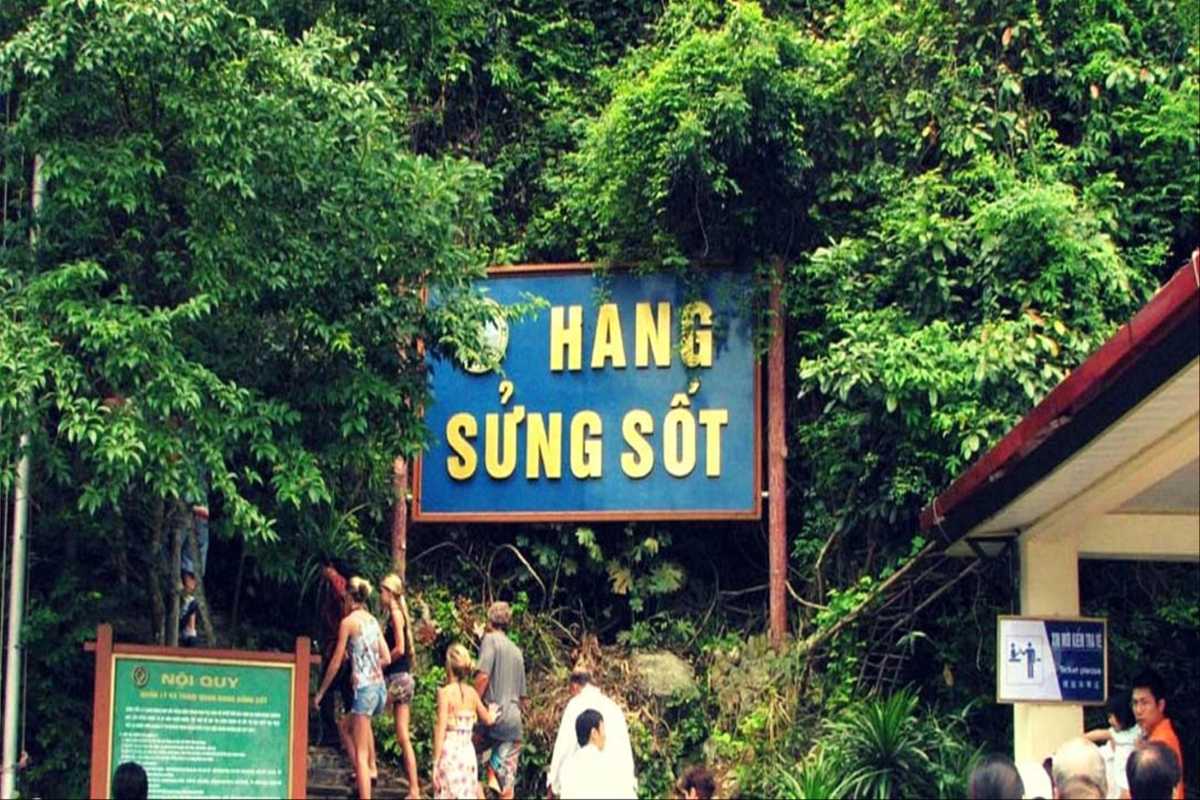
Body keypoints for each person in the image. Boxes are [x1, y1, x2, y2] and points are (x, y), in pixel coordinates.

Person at [314, 577, 391, 800]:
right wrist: (365, 661)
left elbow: (336, 662)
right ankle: (371, 770)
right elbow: (386, 657)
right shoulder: (373, 621)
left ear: (349, 597)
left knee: (361, 754)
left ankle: (365, 782)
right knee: (346, 726)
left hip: (365, 689)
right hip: (379, 690)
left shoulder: (348, 623)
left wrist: (320, 693)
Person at [546, 669, 636, 799]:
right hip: (619, 781)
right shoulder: (613, 707)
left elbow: (563, 747)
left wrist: (553, 783)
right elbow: (625, 751)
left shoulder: (575, 705)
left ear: (574, 686)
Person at [474, 601, 527, 800]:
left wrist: (470, 702)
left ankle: (487, 783)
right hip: (513, 722)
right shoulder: (516, 651)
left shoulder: (490, 640)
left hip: (492, 717)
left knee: (468, 756)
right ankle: (494, 779)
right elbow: (523, 697)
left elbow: (483, 677)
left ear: (489, 621)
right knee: (506, 783)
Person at [433, 644, 497, 800]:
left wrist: (435, 762)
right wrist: (493, 713)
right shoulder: (472, 693)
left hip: (451, 753)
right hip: (467, 753)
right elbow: (488, 720)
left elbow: (441, 728)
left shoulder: (445, 693)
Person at [380, 573, 420, 799]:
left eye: (382, 591)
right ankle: (414, 788)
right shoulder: (397, 614)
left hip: (395, 678)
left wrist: (382, 660)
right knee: (403, 736)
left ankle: (369, 768)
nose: (380, 595)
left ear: (390, 593)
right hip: (405, 678)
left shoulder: (395, 614)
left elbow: (400, 648)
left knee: (362, 716)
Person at [318, 559, 354, 756]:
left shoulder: (337, 583)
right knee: (347, 693)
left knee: (329, 690)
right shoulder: (341, 586)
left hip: (337, 648)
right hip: (337, 645)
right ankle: (345, 734)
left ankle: (333, 735)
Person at [1130, 670, 1184, 800]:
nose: (1138, 710)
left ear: (1160, 705)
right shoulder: (1152, 737)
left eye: (1144, 702)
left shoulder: (1162, 743)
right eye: (1135, 703)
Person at [559, 709, 633, 800]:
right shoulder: (609, 764)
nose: (605, 736)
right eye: (603, 729)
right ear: (594, 733)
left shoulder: (567, 767)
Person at [1085, 691, 1141, 799]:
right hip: (1120, 781)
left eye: (1111, 717)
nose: (1109, 721)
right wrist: (1080, 739)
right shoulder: (1115, 733)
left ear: (1122, 715)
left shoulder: (1138, 731)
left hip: (1131, 780)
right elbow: (1098, 734)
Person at [179, 570, 199, 647]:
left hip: (184, 632)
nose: (192, 585)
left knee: (192, 639)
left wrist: (191, 636)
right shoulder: (175, 597)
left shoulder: (192, 601)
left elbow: (191, 624)